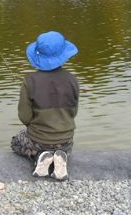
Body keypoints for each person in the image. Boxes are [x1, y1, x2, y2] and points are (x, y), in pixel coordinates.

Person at [10, 31, 79, 181]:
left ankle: (39, 156)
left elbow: (24, 117)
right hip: (66, 140)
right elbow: (73, 112)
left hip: (38, 140)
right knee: (63, 146)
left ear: (39, 56)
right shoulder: (73, 80)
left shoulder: (29, 81)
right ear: (63, 56)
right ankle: (62, 156)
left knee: (16, 142)